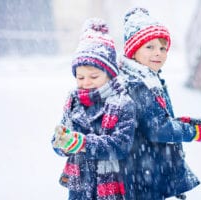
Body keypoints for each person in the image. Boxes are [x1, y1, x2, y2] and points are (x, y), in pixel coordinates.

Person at [118, 7, 201, 200]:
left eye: (163, 48)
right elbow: (158, 129)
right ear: (133, 51)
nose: (158, 53)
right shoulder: (138, 84)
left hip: (147, 166)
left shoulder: (149, 78)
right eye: (150, 47)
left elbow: (155, 119)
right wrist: (195, 132)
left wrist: (185, 122)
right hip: (142, 170)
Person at [51, 18, 136, 200]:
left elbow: (121, 145)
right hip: (80, 185)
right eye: (80, 78)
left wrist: (83, 144)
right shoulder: (73, 102)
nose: (86, 82)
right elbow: (58, 140)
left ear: (110, 74)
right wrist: (63, 143)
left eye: (93, 76)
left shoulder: (122, 103)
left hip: (112, 185)